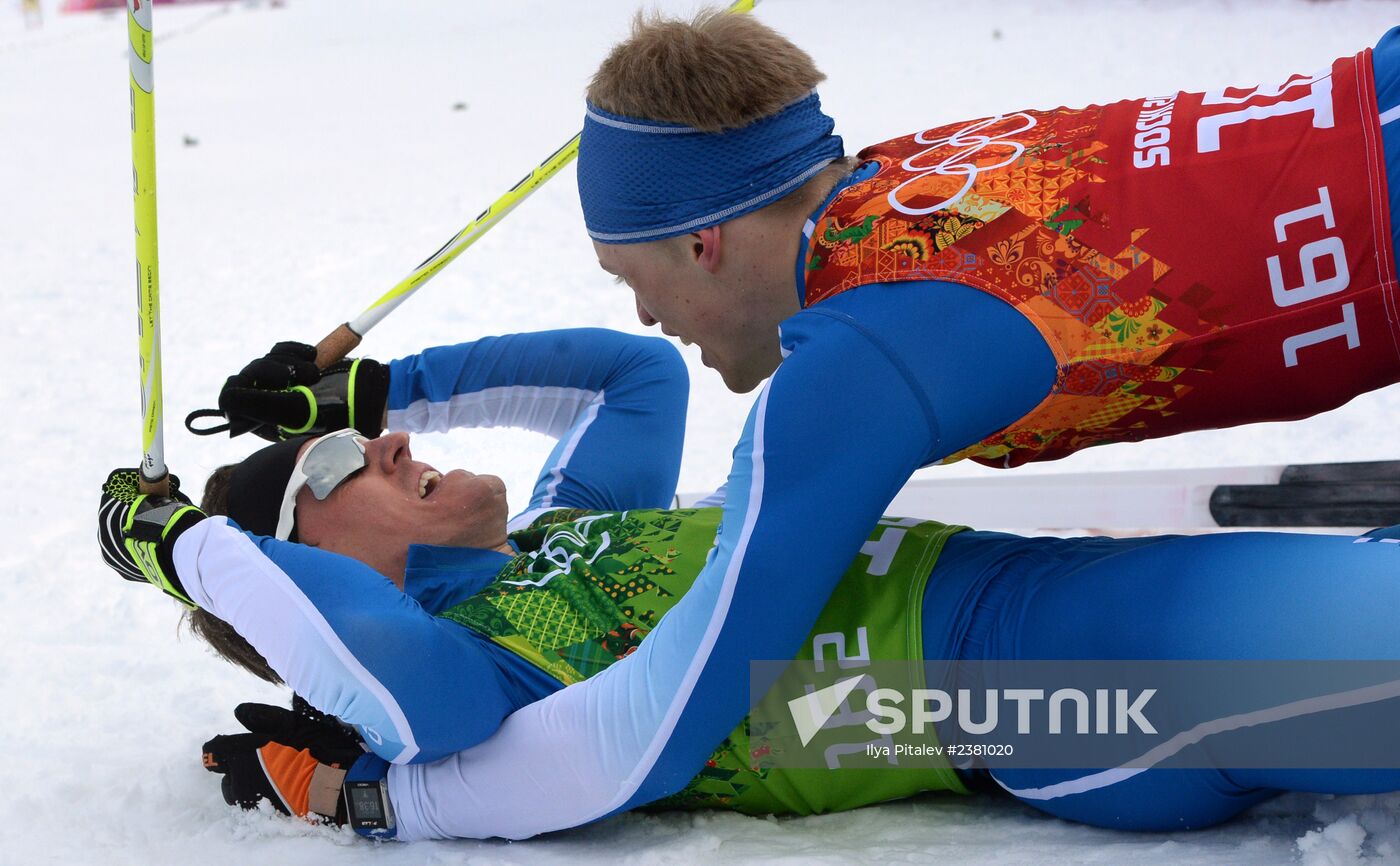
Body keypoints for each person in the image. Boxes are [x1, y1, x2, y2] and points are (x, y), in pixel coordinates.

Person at [101, 328, 1400, 841]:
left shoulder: (560, 531)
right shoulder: (486, 670)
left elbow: (634, 377)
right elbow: (414, 700)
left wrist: (376, 387)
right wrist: (185, 548)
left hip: (1074, 591)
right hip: (1058, 692)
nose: (384, 447)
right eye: (338, 462)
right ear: (308, 562)